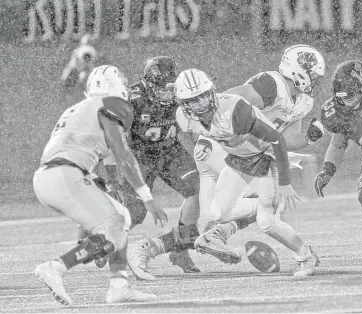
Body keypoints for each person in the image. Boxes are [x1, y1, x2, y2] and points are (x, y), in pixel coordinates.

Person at [129, 45, 325, 279]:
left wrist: (308, 138)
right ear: (298, 71)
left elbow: (285, 139)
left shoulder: (303, 101)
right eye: (312, 75)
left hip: (247, 150)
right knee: (259, 207)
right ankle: (215, 236)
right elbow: (229, 103)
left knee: (220, 215)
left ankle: (161, 246)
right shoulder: (272, 85)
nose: (314, 81)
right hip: (226, 148)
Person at [33, 65, 168, 305]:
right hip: (66, 175)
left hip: (49, 176)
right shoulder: (113, 105)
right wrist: (147, 197)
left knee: (121, 217)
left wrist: (95, 182)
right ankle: (57, 266)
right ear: (115, 86)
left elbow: (79, 148)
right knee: (114, 230)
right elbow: (123, 154)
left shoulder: (78, 109)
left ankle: (119, 286)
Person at [105, 56, 201, 278]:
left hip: (170, 152)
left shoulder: (181, 94)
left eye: (170, 88)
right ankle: (104, 240)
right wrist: (110, 179)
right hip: (139, 156)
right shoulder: (132, 99)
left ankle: (181, 248)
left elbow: (196, 129)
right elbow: (112, 141)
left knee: (198, 188)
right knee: (135, 214)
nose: (168, 94)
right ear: (148, 84)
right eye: (162, 89)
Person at [317, 60, 362, 213]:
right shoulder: (337, 111)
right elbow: (338, 143)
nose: (345, 103)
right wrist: (328, 170)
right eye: (341, 98)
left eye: (350, 98)